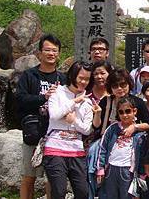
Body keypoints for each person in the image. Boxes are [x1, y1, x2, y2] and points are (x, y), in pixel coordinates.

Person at [16, 34, 68, 199]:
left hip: (55, 134)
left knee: (52, 177)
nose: (51, 53)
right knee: (29, 175)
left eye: (54, 50)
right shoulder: (29, 76)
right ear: (39, 53)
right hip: (33, 131)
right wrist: (43, 97)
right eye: (47, 50)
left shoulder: (63, 78)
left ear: (59, 54)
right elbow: (20, 99)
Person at [44, 61, 95, 199]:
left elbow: (86, 129)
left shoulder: (88, 100)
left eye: (87, 79)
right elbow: (54, 114)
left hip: (76, 151)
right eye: (81, 78)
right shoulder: (57, 92)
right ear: (73, 75)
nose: (84, 82)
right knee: (59, 191)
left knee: (83, 192)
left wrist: (74, 121)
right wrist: (74, 102)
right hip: (55, 149)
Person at [96, 96, 146, 198]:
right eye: (121, 112)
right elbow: (103, 148)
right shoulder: (112, 129)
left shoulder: (140, 133)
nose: (125, 115)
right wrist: (100, 168)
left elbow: (142, 155)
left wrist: (142, 174)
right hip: (111, 169)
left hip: (128, 171)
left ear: (134, 111)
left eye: (128, 111)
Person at [93, 67, 149, 138]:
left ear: (129, 84)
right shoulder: (105, 101)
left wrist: (135, 127)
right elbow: (96, 126)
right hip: (107, 141)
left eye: (123, 84)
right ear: (110, 88)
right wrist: (98, 114)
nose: (119, 88)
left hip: (132, 142)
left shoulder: (138, 102)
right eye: (115, 86)